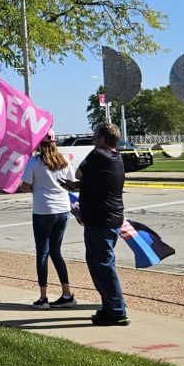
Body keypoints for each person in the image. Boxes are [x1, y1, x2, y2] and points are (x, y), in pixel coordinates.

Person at [73, 123, 130, 326]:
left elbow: (79, 174)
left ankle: (116, 310)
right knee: (100, 264)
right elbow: (92, 181)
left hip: (100, 222)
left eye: (95, 137)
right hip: (110, 219)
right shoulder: (116, 158)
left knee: (103, 267)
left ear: (103, 140)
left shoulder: (97, 155)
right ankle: (109, 307)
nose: (93, 141)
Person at [19, 129, 79, 309]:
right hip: (62, 209)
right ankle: (66, 293)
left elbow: (26, 188)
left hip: (43, 210)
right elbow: (72, 183)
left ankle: (43, 297)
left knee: (42, 252)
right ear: (54, 142)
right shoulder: (64, 160)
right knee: (56, 251)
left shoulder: (34, 161)